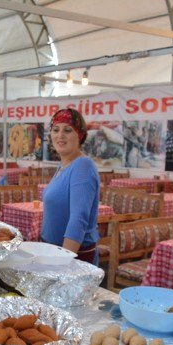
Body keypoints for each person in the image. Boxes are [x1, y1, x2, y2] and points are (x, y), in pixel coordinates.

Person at [41, 108, 100, 264]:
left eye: (67, 130)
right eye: (55, 130)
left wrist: (62, 263)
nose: (60, 135)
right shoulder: (64, 165)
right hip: (54, 251)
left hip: (72, 257)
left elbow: (78, 218)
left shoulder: (83, 166)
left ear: (80, 135)